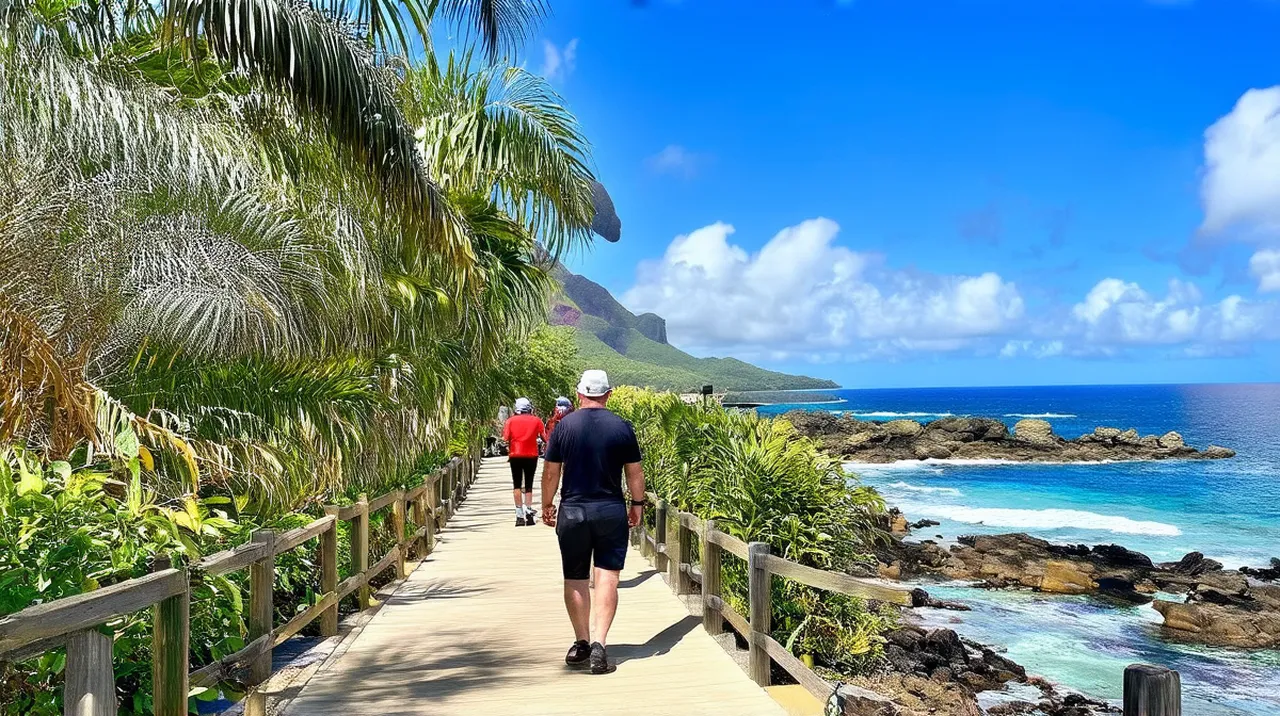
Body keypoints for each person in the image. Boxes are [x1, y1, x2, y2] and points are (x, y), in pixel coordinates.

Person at [541, 370, 646, 675]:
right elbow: (635, 473)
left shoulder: (564, 426)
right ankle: (600, 644)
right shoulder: (622, 427)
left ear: (579, 394)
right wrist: (637, 505)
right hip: (610, 510)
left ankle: (581, 642)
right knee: (607, 577)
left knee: (575, 577)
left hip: (573, 511)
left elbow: (551, 472)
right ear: (608, 395)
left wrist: (547, 504)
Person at [502, 397, 546, 526]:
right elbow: (544, 437)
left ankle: (519, 515)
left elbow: (505, 438)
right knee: (529, 484)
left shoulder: (510, 421)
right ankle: (528, 511)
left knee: (516, 484)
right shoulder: (537, 420)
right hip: (531, 455)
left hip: (515, 454)